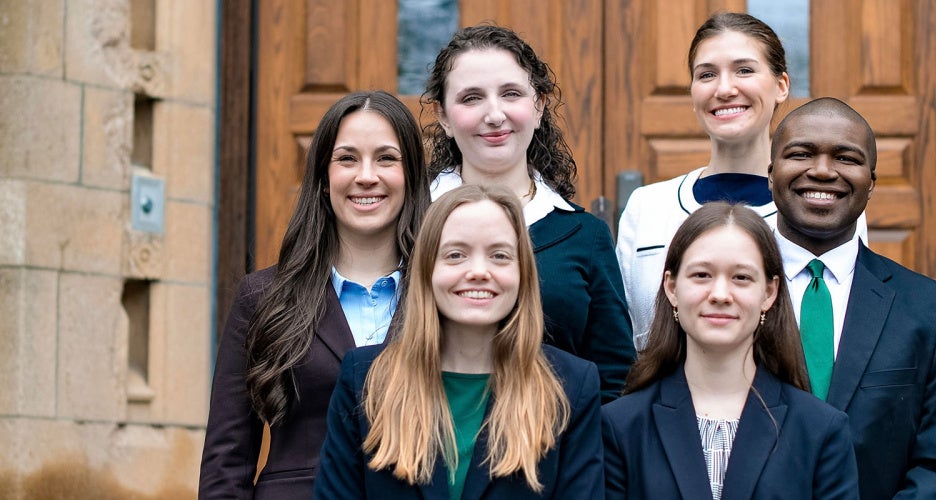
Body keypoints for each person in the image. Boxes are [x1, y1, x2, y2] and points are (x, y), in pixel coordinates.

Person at [199, 91, 431, 498]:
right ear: (324, 180)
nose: (366, 175)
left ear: (410, 175)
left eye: (386, 158)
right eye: (347, 158)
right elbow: (227, 459)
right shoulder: (263, 298)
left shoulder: (445, 294)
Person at [314, 185, 604, 499]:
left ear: (523, 273)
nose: (479, 271)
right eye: (455, 255)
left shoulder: (571, 388)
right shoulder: (365, 380)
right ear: (427, 270)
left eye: (499, 256)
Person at [616, 12, 867, 350]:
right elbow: (625, 339)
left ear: (781, 86)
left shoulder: (823, 202)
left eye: (744, 70)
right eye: (707, 74)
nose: (724, 88)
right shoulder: (647, 207)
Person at [768, 97, 936, 499]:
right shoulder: (724, 295)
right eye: (801, 153)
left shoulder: (931, 310)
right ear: (770, 173)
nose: (823, 170)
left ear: (871, 182)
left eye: (846, 157)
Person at [423, 24, 635, 402]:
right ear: (443, 117)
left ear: (538, 106)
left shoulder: (585, 236)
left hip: (558, 454)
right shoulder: (410, 221)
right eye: (471, 98)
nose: (494, 114)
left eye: (511, 94)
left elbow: (614, 379)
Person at [602, 202, 860, 500]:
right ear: (672, 288)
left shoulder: (820, 430)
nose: (721, 295)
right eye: (701, 275)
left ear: (769, 292)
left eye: (741, 278)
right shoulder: (620, 427)